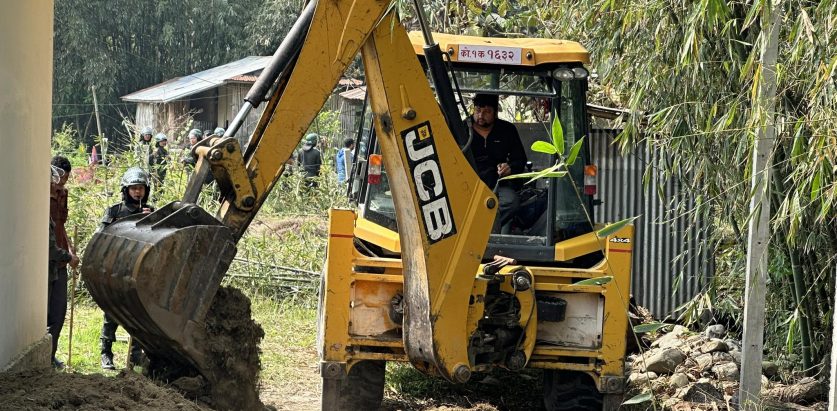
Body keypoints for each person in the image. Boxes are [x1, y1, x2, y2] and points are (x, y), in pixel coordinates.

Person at [97, 167, 155, 370]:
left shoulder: (151, 211)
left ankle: (135, 355)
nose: (137, 192)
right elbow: (101, 238)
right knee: (111, 313)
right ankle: (106, 353)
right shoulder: (114, 211)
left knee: (137, 314)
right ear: (126, 190)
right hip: (115, 268)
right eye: (133, 188)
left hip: (137, 271)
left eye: (140, 188)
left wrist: (150, 219)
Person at [467, 93, 527, 232]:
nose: (481, 115)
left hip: (498, 183)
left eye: (487, 111)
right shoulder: (463, 129)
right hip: (469, 182)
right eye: (478, 110)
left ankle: (482, 230)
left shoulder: (507, 130)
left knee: (512, 202)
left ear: (495, 113)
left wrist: (509, 167)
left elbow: (520, 159)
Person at [47, 160, 79, 369]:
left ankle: (51, 354)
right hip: (47, 262)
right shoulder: (41, 196)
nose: (60, 183)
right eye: (59, 178)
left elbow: (60, 226)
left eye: (65, 178)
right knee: (45, 313)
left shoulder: (62, 195)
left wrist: (69, 250)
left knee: (59, 312)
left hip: (60, 260)